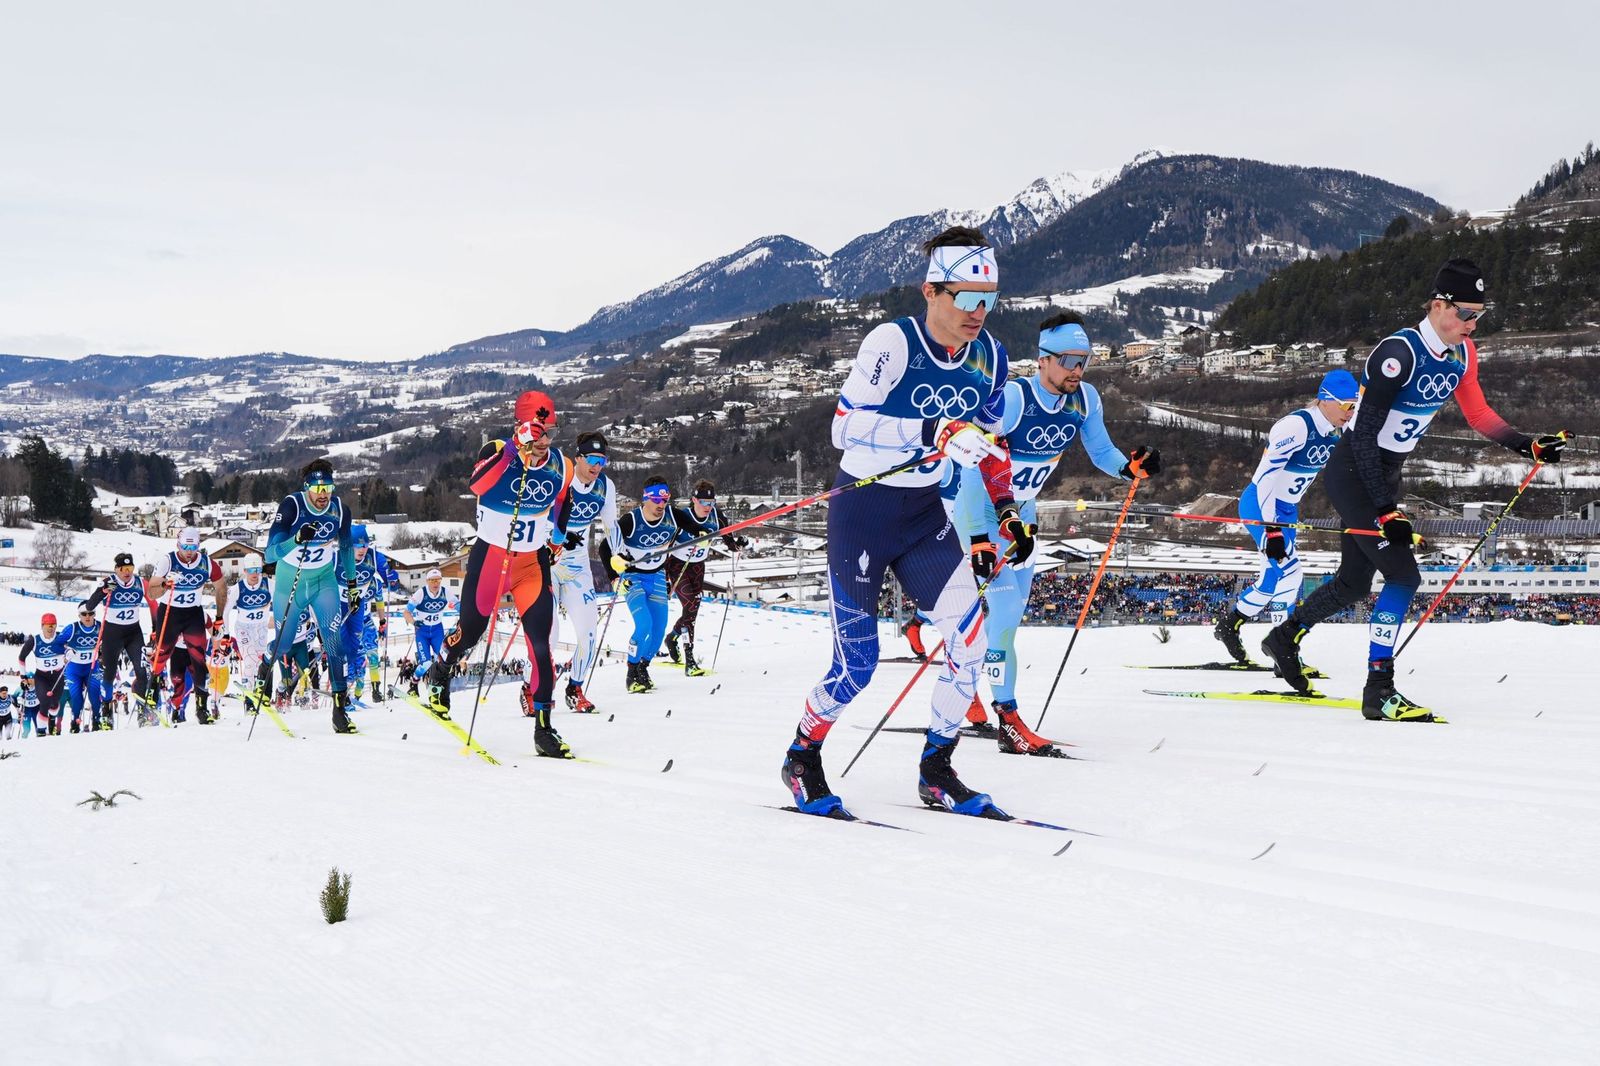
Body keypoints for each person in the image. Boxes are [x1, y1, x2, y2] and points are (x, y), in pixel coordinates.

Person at [782, 226, 1026, 819]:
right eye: (966, 298)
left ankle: (937, 769)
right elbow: (844, 428)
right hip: (864, 511)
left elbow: (990, 443)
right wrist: (929, 433)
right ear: (931, 292)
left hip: (922, 515)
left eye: (988, 299)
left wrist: (1008, 509)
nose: (979, 313)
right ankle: (802, 756)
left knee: (970, 640)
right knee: (856, 666)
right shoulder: (893, 342)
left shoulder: (991, 356)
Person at [1259, 258, 1570, 721]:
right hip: (1355, 473)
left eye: (1480, 315)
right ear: (1438, 305)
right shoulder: (1397, 353)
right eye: (1466, 313)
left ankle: (1284, 637)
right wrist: (1385, 510)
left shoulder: (1465, 355)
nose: (1472, 323)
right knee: (1404, 576)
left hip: (1385, 474)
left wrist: (1527, 445)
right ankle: (1379, 690)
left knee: (1353, 582)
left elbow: (1478, 415)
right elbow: (1362, 435)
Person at [956, 310, 1158, 755]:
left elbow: (1101, 450)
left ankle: (969, 690)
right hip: (978, 514)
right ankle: (1006, 716)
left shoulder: (1084, 399)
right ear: (1043, 359)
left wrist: (1129, 468)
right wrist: (978, 538)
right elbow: (972, 467)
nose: (1077, 369)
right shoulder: (1011, 398)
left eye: (1084, 360)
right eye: (1068, 359)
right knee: (1004, 612)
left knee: (1005, 621)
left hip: (1023, 518)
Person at [425, 391, 576, 759]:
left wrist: (556, 539)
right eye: (536, 432)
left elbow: (562, 503)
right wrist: (513, 449)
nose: (543, 441)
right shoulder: (496, 450)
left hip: (529, 565)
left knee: (541, 646)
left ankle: (544, 728)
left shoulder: (562, 466)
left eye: (548, 433)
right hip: (490, 559)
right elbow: (477, 485)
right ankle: (441, 670)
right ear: (519, 427)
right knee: (469, 634)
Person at [1214, 370, 1359, 664]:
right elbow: (1266, 480)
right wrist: (1273, 530)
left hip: (1288, 510)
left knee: (1271, 579)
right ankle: (1283, 650)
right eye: (1346, 405)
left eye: (1354, 405)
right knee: (1292, 573)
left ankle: (1229, 625)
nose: (1350, 411)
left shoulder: (1339, 426)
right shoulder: (1295, 426)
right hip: (1262, 506)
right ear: (1325, 400)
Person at [263, 459, 358, 733]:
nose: (323, 493)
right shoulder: (292, 506)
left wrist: (351, 586)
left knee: (333, 640)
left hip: (323, 580)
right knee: (284, 644)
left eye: (327, 487)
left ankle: (340, 710)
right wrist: (296, 539)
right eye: (317, 487)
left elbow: (347, 548)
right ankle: (264, 670)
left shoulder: (340, 509)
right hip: (289, 581)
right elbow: (269, 555)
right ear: (307, 488)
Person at [603, 474, 703, 694]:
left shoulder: (672, 516)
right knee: (644, 625)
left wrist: (705, 533)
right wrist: (614, 576)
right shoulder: (631, 520)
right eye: (656, 500)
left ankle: (643, 667)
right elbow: (604, 546)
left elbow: (695, 526)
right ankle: (631, 673)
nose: (661, 505)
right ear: (645, 498)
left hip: (657, 576)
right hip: (633, 578)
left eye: (665, 500)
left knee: (658, 632)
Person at [549, 431, 616, 712]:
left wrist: (622, 557)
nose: (596, 465)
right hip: (548, 562)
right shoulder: (561, 477)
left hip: (577, 566)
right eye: (591, 458)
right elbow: (539, 516)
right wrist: (559, 536)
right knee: (548, 635)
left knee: (589, 631)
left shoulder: (605, 486)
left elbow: (613, 529)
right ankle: (531, 687)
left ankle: (575, 688)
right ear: (578, 457)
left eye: (602, 460)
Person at [662, 480, 746, 677]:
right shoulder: (683, 517)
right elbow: (665, 549)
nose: (708, 507)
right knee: (690, 606)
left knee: (692, 609)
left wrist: (739, 544)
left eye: (711, 503)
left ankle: (673, 637)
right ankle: (689, 659)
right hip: (677, 566)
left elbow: (730, 543)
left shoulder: (717, 517)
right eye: (703, 502)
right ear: (694, 500)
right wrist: (665, 579)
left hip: (698, 567)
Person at [149, 527, 225, 725]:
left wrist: (219, 617)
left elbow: (221, 587)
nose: (189, 551)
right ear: (178, 544)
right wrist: (166, 584)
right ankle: (151, 694)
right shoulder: (168, 560)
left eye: (193, 547)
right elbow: (151, 592)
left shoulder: (206, 562)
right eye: (185, 546)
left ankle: (202, 708)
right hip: (170, 612)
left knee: (200, 659)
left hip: (193, 613)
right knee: (162, 654)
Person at [86, 552, 154, 721]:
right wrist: (103, 591)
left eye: (130, 568)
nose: (127, 572)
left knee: (141, 671)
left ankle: (142, 712)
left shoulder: (140, 583)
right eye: (123, 568)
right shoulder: (109, 581)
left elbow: (154, 605)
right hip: (112, 634)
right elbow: (90, 605)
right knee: (109, 673)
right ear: (116, 569)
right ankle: (107, 712)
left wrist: (156, 631)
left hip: (133, 633)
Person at [339, 523, 400, 707]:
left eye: (365, 544)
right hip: (343, 616)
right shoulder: (339, 558)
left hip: (364, 619)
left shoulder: (373, 570)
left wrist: (391, 577)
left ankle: (374, 690)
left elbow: (382, 598)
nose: (362, 549)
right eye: (357, 545)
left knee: (371, 656)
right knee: (350, 660)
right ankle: (344, 693)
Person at [226, 560, 274, 704]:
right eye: (251, 570)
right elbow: (225, 612)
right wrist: (226, 634)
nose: (254, 574)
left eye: (257, 570)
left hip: (261, 628)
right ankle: (249, 697)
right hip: (244, 629)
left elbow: (280, 602)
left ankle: (259, 693)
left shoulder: (269, 584)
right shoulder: (237, 588)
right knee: (249, 660)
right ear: (245, 571)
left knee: (261, 662)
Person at [404, 568, 456, 695]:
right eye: (432, 580)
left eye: (438, 580)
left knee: (442, 660)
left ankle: (438, 686)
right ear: (427, 581)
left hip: (437, 630)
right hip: (422, 632)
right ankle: (414, 682)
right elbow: (406, 612)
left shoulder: (445, 592)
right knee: (426, 663)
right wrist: (414, 622)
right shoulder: (420, 593)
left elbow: (457, 605)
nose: (435, 583)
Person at [60, 602, 107, 732]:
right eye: (84, 614)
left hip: (92, 667)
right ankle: (75, 722)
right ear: (79, 615)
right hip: (74, 669)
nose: (87, 616)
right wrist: (66, 651)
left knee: (94, 695)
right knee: (77, 698)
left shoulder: (101, 627)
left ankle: (96, 720)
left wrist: (104, 652)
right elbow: (57, 643)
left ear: (94, 614)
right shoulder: (72, 628)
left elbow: (112, 640)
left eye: (91, 613)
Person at [20, 613, 68, 735]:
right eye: (48, 625)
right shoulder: (34, 640)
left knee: (54, 704)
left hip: (58, 676)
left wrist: (71, 652)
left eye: (53, 625)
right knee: (45, 701)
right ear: (42, 626)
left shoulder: (61, 637)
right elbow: (21, 657)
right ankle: (41, 732)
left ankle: (52, 719)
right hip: (42, 676)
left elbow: (73, 649)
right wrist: (23, 676)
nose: (51, 628)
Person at [206, 621, 237, 712]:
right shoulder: (229, 640)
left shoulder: (209, 641)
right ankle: (215, 701)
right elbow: (236, 645)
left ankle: (214, 701)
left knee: (213, 685)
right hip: (221, 668)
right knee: (221, 686)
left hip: (210, 666)